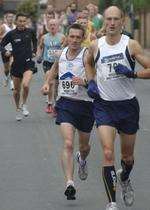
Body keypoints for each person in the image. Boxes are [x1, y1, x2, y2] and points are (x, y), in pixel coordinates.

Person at [84, 6, 150, 210]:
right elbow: (88, 62)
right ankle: (111, 202)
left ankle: (125, 178)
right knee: (107, 153)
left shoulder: (131, 45)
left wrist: (133, 74)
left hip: (127, 106)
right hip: (104, 106)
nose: (112, 23)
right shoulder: (96, 45)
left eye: (116, 19)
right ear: (104, 21)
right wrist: (91, 81)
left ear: (123, 21)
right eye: (108, 19)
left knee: (127, 157)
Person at [41, 23, 94, 200]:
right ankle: (70, 183)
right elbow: (54, 70)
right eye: (72, 37)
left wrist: (85, 82)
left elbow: (93, 80)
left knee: (84, 147)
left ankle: (82, 159)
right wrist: (47, 83)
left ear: (82, 38)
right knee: (69, 143)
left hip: (86, 105)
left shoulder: (86, 56)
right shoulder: (62, 53)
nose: (74, 40)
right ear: (67, 37)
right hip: (65, 104)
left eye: (78, 37)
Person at [0, 13, 37, 121]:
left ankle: (24, 104)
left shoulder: (30, 31)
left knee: (25, 85)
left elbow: (35, 41)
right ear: (16, 22)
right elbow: (1, 44)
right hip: (16, 65)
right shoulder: (11, 34)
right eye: (20, 21)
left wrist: (34, 51)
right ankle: (17, 109)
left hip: (28, 63)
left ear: (26, 22)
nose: (22, 23)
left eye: (24, 21)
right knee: (16, 90)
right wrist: (5, 51)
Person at [37, 18, 65, 114]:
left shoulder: (62, 37)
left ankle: (56, 105)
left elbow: (65, 49)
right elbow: (40, 47)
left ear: (58, 27)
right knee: (51, 81)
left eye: (54, 25)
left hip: (58, 63)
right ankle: (49, 103)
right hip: (48, 63)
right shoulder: (44, 37)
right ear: (48, 26)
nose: (52, 26)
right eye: (51, 25)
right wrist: (39, 55)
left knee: (57, 85)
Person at [0, 10, 16, 90]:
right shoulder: (3, 27)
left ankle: (12, 83)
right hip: (5, 50)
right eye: (9, 17)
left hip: (13, 50)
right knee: (6, 69)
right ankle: (6, 77)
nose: (10, 18)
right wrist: (4, 38)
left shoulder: (15, 27)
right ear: (6, 18)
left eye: (12, 17)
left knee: (12, 65)